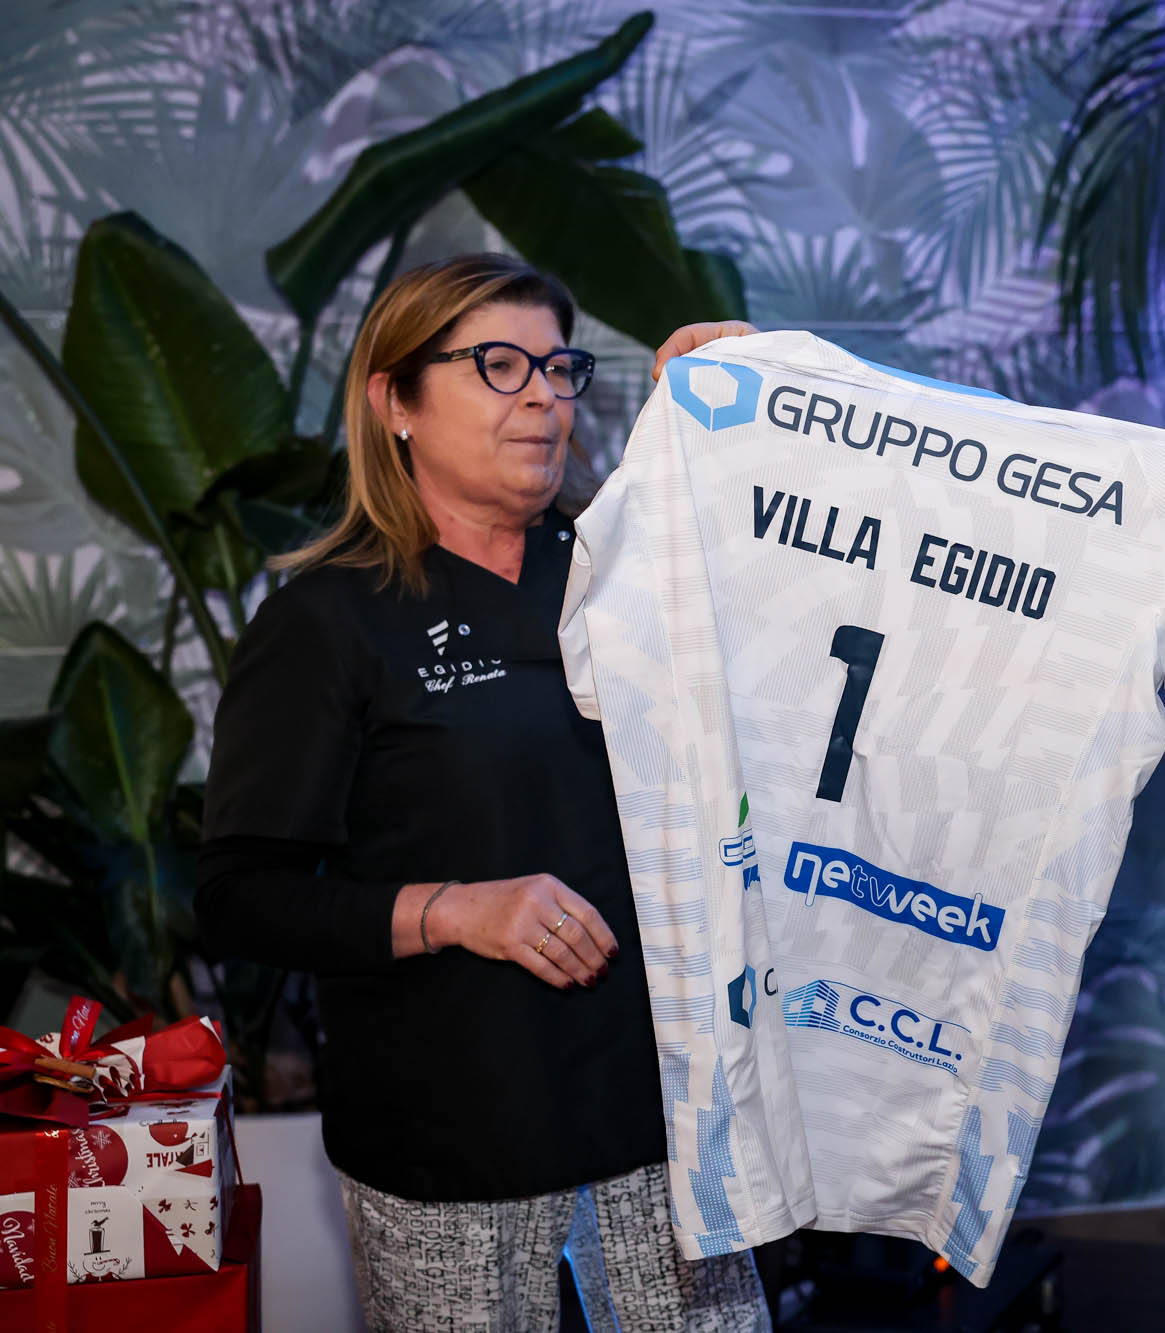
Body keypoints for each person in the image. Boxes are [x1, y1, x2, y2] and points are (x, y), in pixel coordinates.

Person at [197, 254, 768, 1332]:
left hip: (667, 1127)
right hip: (453, 1147)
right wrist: (455, 909)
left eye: (558, 368)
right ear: (396, 403)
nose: (544, 396)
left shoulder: (627, 572)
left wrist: (745, 419)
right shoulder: (330, 621)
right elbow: (240, 899)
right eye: (499, 365)